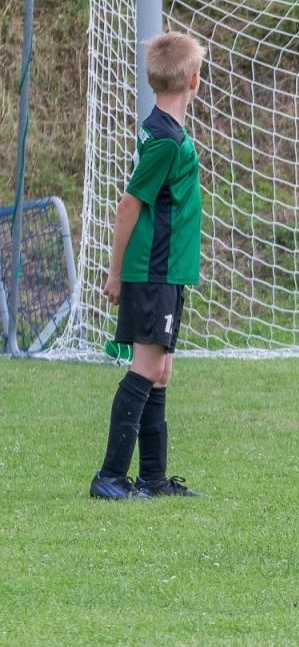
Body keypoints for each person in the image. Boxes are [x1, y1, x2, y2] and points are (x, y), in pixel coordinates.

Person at [89, 32, 207, 499]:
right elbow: (128, 206)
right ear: (194, 80)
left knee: (160, 372)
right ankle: (110, 478)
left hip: (167, 272)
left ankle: (154, 480)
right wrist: (115, 272)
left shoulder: (163, 130)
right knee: (144, 369)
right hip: (152, 272)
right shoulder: (165, 140)